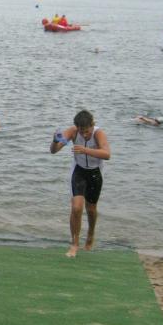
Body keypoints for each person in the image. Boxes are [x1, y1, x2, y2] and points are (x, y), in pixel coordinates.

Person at [50, 110, 111, 258]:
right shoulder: (73, 131)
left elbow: (107, 154)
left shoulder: (98, 133)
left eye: (86, 131)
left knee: (91, 209)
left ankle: (90, 234)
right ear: (76, 127)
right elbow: (54, 151)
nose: (84, 134)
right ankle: (74, 244)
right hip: (79, 172)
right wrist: (55, 141)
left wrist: (85, 150)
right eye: (81, 131)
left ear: (92, 125)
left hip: (95, 173)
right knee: (76, 207)